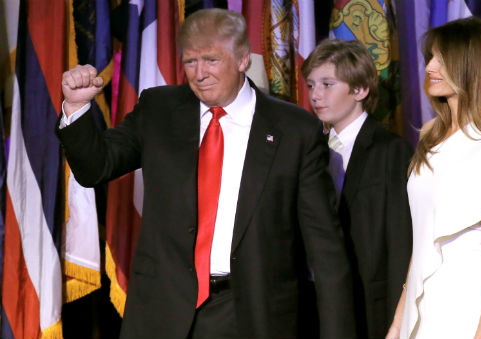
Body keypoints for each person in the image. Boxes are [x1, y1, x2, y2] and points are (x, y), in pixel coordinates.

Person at [57, 8, 356, 339]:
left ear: (243, 59)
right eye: (190, 62)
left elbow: (325, 249)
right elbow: (95, 167)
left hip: (251, 314)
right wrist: (76, 108)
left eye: (212, 60)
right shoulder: (158, 109)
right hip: (163, 310)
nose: (200, 74)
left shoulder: (294, 129)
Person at [386, 17, 481, 339]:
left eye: (442, 58)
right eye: (430, 57)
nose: (430, 66)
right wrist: (398, 322)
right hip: (420, 311)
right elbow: (423, 242)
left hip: (464, 313)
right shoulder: (431, 139)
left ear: (472, 66)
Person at [302, 39, 413, 338]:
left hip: (370, 306)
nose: (316, 95)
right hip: (316, 305)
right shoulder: (308, 149)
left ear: (360, 90)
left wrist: (398, 319)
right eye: (311, 85)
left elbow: (401, 241)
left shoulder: (391, 152)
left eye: (327, 84)